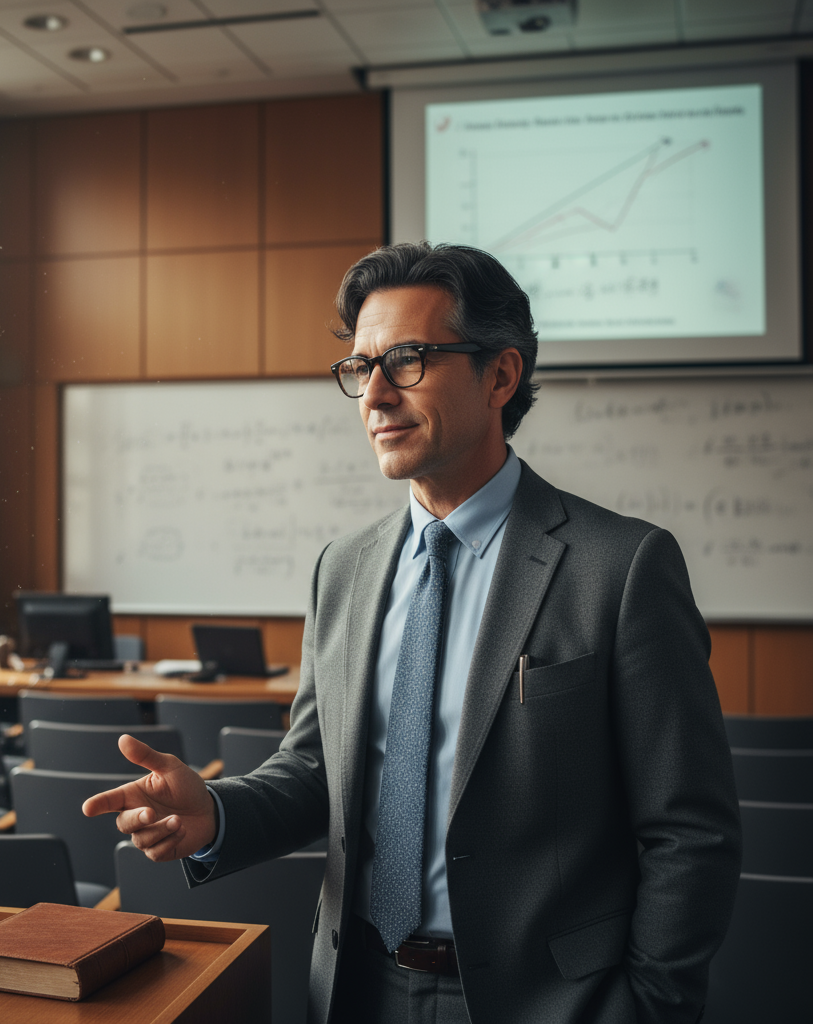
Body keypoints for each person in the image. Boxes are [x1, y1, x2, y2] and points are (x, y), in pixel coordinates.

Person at [84, 242, 741, 1024]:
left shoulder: (622, 567)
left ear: (500, 375)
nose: (375, 396)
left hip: (553, 1001)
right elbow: (315, 770)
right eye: (361, 368)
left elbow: (689, 832)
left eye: (407, 360)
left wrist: (649, 1009)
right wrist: (215, 814)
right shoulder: (345, 568)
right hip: (359, 986)